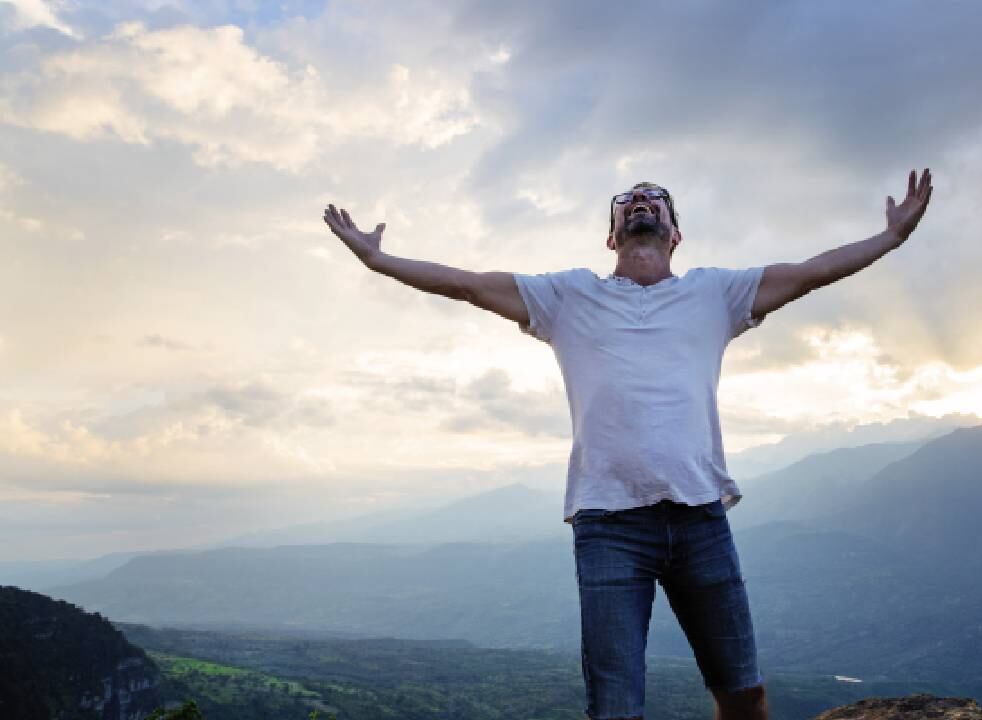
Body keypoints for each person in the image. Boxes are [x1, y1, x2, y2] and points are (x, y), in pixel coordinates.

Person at [323, 169, 934, 720]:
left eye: (655, 198)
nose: (641, 201)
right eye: (629, 201)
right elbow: (466, 285)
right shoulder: (565, 297)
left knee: (743, 691)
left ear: (676, 233)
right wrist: (381, 262)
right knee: (616, 706)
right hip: (609, 524)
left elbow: (809, 272)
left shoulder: (716, 294)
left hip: (700, 517)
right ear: (613, 237)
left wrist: (890, 239)